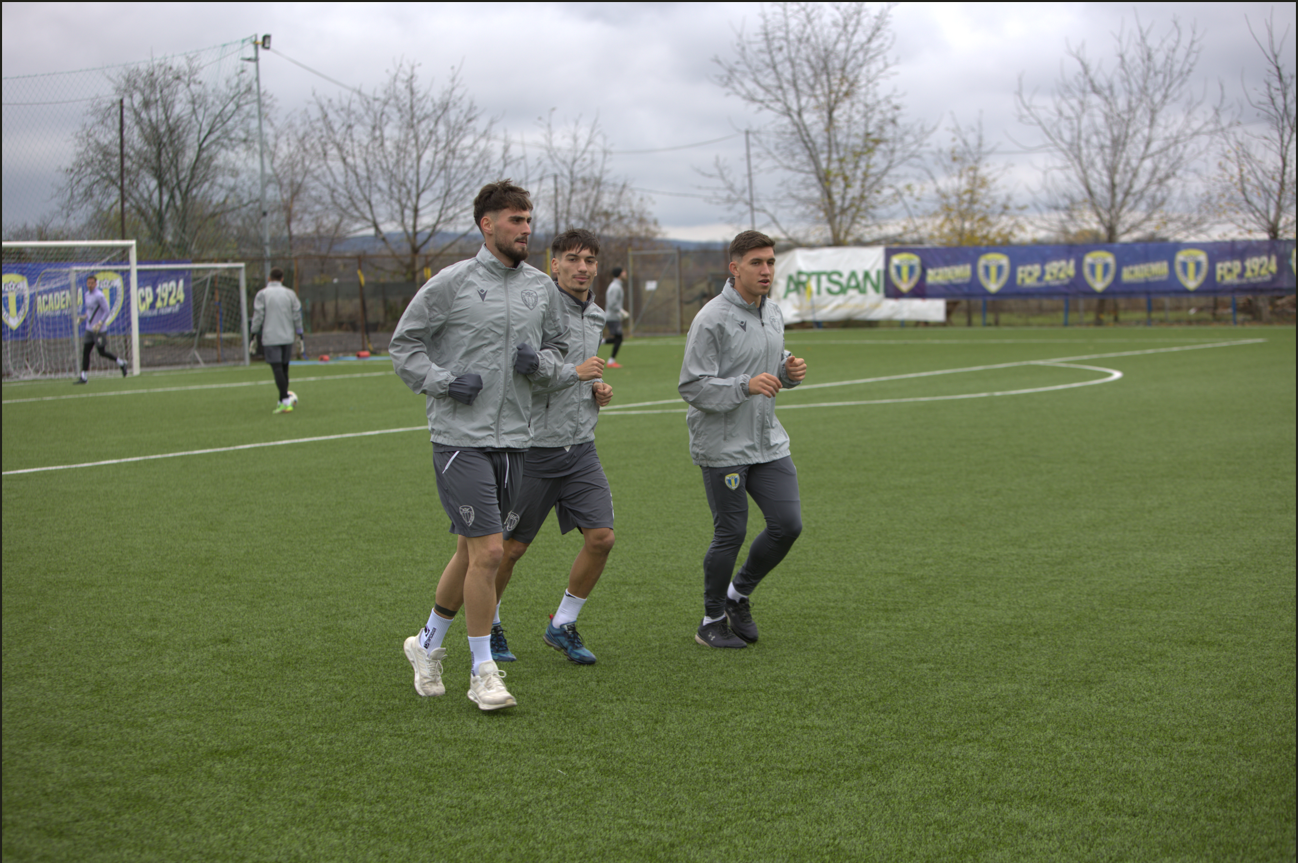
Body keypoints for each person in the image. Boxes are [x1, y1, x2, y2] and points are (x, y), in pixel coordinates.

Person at [390, 180, 604, 712]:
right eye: (515, 220)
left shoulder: (540, 288)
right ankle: (483, 671)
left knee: (469, 552)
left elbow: (558, 351)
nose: (526, 229)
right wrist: (443, 382)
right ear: (488, 226)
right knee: (488, 551)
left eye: (529, 219)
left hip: (516, 439)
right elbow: (404, 345)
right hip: (459, 438)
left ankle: (426, 644)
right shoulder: (451, 283)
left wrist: (543, 365)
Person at [678, 230, 807, 649]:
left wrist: (788, 371)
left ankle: (738, 595)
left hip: (767, 441)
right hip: (723, 445)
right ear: (734, 268)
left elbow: (770, 363)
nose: (766, 270)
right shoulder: (711, 318)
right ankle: (711, 621)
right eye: (756, 263)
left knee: (787, 525)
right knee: (730, 533)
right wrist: (744, 385)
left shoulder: (773, 312)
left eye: (770, 262)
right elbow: (692, 385)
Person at [492, 228, 615, 666]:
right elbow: (522, 373)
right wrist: (575, 374)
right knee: (509, 549)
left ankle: (562, 624)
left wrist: (596, 388)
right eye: (573, 259)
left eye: (590, 260)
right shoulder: (538, 308)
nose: (582, 268)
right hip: (535, 449)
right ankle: (489, 624)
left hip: (580, 447)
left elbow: (582, 372)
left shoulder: (596, 315)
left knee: (602, 538)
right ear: (554, 264)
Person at [250, 268, 303, 414]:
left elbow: (258, 315)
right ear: (282, 279)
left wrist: (253, 333)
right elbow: (297, 314)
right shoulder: (290, 293)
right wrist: (299, 333)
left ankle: (285, 401)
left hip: (271, 337)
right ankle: (282, 400)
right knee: (284, 368)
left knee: (277, 369)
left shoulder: (262, 294)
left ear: (269, 278)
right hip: (287, 336)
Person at [74, 275, 128, 383]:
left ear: (96, 284)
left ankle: (121, 363)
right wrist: (83, 317)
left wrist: (100, 323)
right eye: (88, 283)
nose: (90, 285)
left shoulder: (99, 296)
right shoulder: (87, 295)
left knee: (102, 352)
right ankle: (84, 377)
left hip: (99, 330)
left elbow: (107, 311)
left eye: (92, 283)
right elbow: (90, 311)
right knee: (86, 352)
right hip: (89, 329)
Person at [602, 267, 627, 368]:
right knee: (619, 339)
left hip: (614, 316)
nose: (625, 273)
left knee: (618, 339)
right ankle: (611, 361)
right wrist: (621, 311)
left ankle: (611, 360)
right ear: (620, 274)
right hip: (612, 317)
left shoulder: (617, 285)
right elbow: (612, 303)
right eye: (624, 272)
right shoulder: (615, 287)